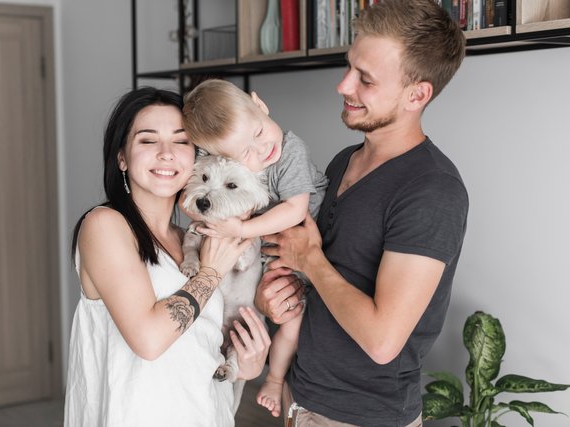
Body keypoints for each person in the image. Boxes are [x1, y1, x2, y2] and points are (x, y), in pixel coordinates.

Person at [255, 0, 469, 425]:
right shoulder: (342, 163)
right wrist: (273, 301)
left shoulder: (432, 190)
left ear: (417, 94)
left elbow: (382, 341)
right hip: (304, 403)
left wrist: (309, 260)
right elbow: (320, 283)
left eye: (365, 79)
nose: (343, 85)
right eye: (349, 67)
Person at [63, 86, 270, 427]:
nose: (166, 153)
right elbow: (148, 340)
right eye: (148, 140)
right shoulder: (104, 226)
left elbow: (206, 343)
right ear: (122, 158)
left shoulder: (197, 238)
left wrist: (249, 363)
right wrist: (210, 273)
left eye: (180, 140)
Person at [182, 78, 328, 417]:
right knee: (271, 318)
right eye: (244, 152)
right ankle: (240, 369)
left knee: (292, 323)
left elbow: (295, 210)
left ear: (260, 105)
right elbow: (196, 194)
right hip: (271, 256)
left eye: (259, 133)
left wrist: (242, 228)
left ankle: (275, 379)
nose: (260, 151)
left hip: (303, 249)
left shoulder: (290, 151)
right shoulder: (239, 166)